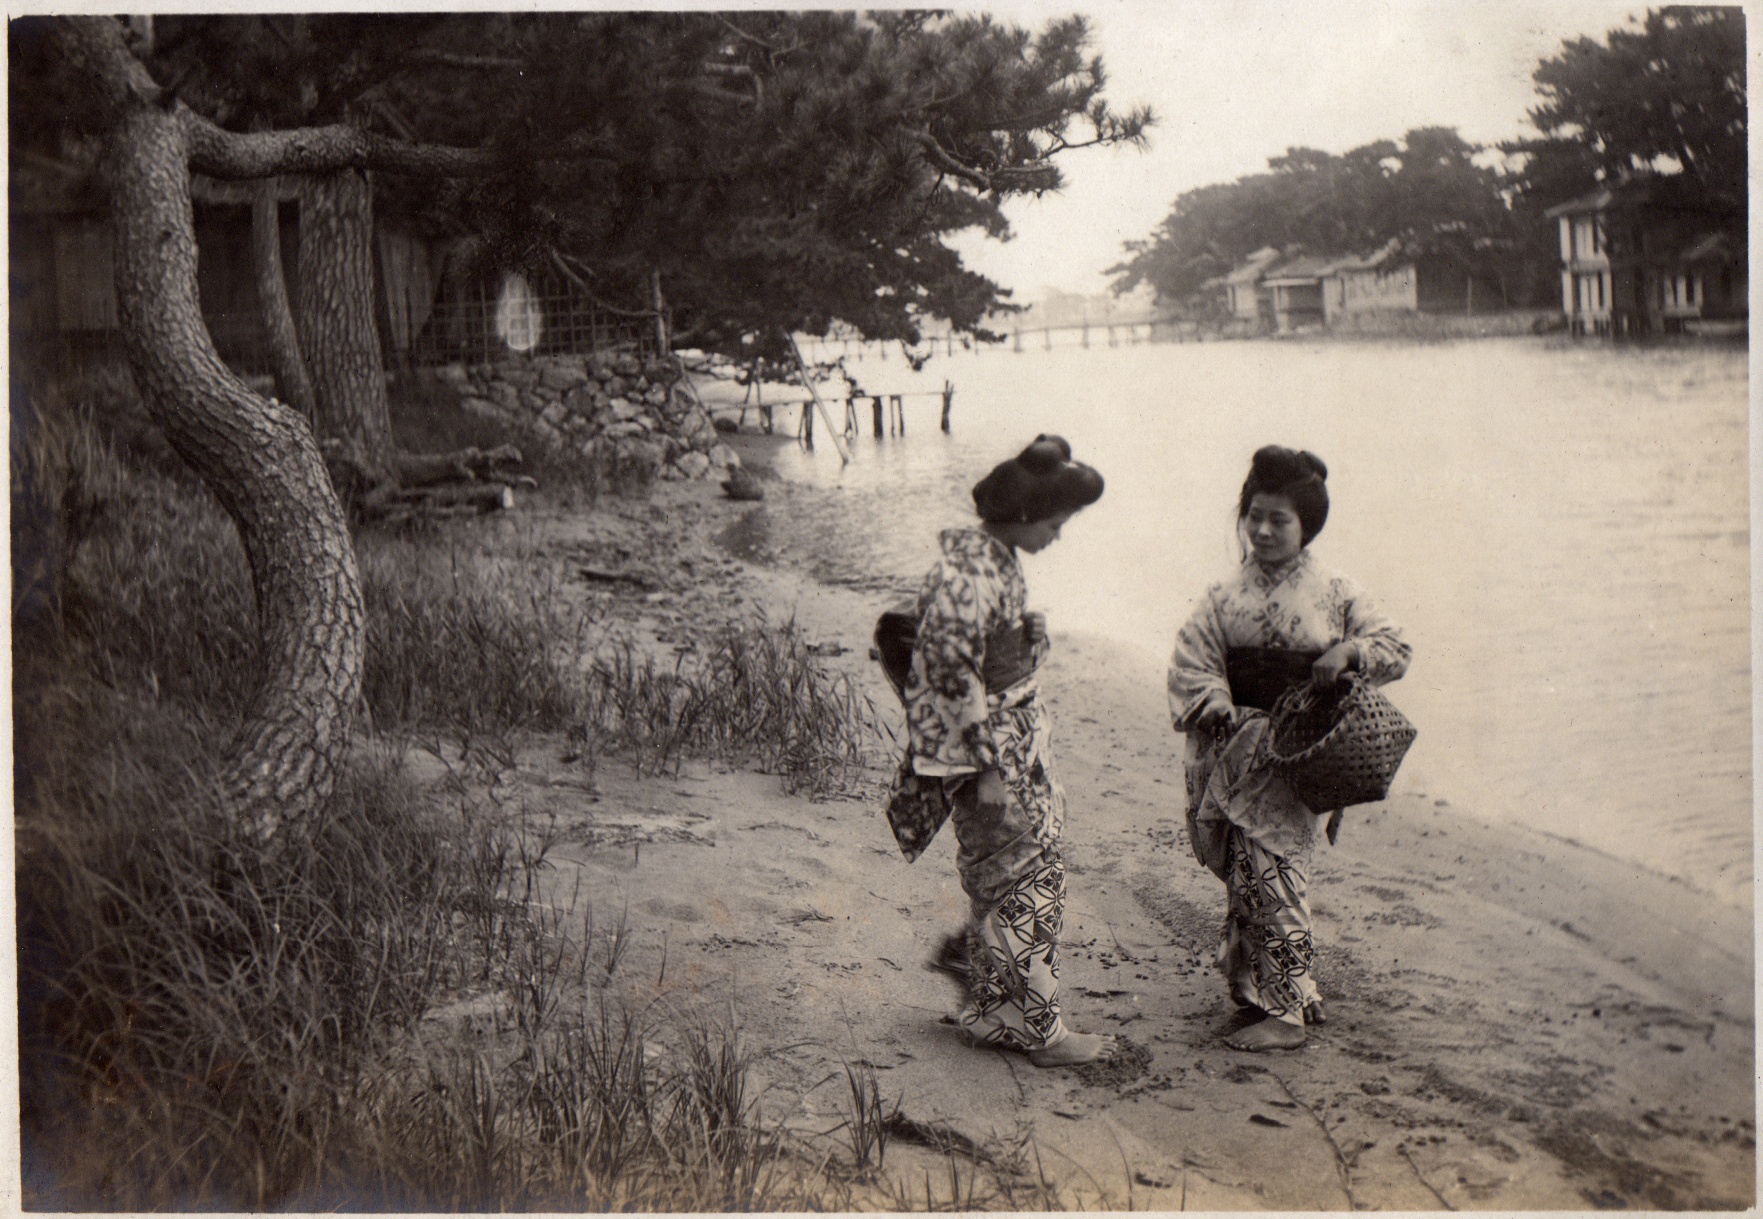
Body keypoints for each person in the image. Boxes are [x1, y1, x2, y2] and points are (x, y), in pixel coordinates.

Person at [882, 435, 1117, 1067]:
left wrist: (1029, 638)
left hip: (1010, 735)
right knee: (1026, 875)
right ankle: (1039, 1030)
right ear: (1021, 517)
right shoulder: (967, 576)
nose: (1057, 537)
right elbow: (954, 675)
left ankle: (991, 1012)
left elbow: (993, 658)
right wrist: (984, 765)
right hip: (988, 748)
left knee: (1003, 874)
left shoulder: (992, 564)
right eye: (1055, 525)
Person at [1168, 446, 1411, 1051]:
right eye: (1255, 515)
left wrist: (1348, 653)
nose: (1263, 530)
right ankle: (1266, 989)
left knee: (1278, 872)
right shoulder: (1221, 598)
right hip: (1235, 750)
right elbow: (1191, 664)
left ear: (1307, 527)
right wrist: (1216, 701)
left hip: (1298, 753)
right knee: (1245, 872)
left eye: (1280, 520)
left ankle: (1287, 1010)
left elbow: (1393, 645)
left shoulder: (1336, 591)